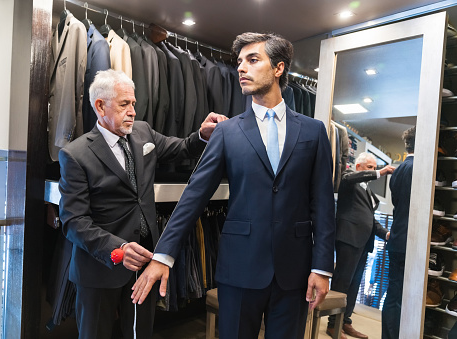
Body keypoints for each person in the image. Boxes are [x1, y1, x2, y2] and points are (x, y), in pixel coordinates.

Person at [131, 32, 336, 339]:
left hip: (294, 272)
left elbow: (322, 203)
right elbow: (194, 196)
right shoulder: (227, 132)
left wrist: (322, 267)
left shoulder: (313, 131)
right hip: (239, 268)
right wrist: (163, 255)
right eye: (239, 62)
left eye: (253, 60)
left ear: (279, 68)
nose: (241, 68)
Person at [58, 69, 226, 339]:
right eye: (125, 104)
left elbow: (180, 148)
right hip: (99, 269)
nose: (133, 111)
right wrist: (118, 249)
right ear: (100, 105)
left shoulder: (143, 132)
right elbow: (74, 221)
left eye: (134, 103)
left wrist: (202, 135)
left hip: (145, 263)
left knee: (140, 335)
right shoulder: (75, 154)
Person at [327, 152, 395, 339]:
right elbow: (351, 178)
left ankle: (345, 321)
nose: (373, 171)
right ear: (359, 167)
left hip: (363, 242)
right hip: (348, 238)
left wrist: (385, 234)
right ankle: (333, 325)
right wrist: (380, 172)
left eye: (374, 167)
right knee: (342, 282)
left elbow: (371, 220)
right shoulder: (349, 179)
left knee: (354, 284)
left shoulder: (367, 192)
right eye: (369, 167)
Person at [382, 127, 415, 339]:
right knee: (400, 297)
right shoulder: (418, 170)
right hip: (408, 242)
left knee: (394, 294)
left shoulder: (400, 169)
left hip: (397, 239)